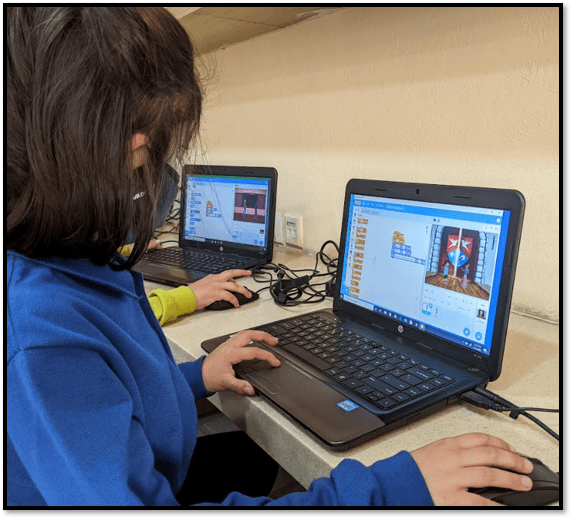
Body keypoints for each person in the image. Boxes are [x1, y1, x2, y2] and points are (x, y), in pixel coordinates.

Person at [6, 7, 534, 507]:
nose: (157, 177)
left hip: (146, 471)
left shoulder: (82, 261)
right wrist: (387, 492)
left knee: (260, 456)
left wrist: (197, 376)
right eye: (144, 155)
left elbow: (117, 396)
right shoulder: (44, 339)